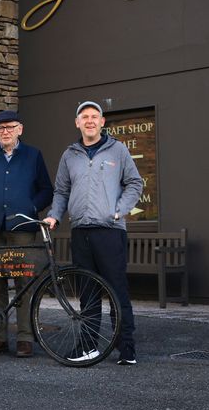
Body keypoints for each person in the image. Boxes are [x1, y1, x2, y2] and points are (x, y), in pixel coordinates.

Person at [44, 101, 144, 365]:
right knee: (87, 293)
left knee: (116, 291)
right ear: (77, 122)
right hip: (81, 232)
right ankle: (89, 346)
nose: (89, 120)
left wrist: (120, 210)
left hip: (110, 232)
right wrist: (55, 215)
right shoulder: (70, 155)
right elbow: (62, 191)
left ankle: (127, 348)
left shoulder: (118, 150)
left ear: (102, 122)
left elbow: (135, 183)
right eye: (84, 116)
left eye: (94, 116)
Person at [0, 110, 53, 358]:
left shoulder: (33, 155)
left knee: (24, 284)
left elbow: (46, 190)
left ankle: (25, 338)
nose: (4, 132)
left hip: (22, 233)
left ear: (20, 129)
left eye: (9, 127)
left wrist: (30, 208)